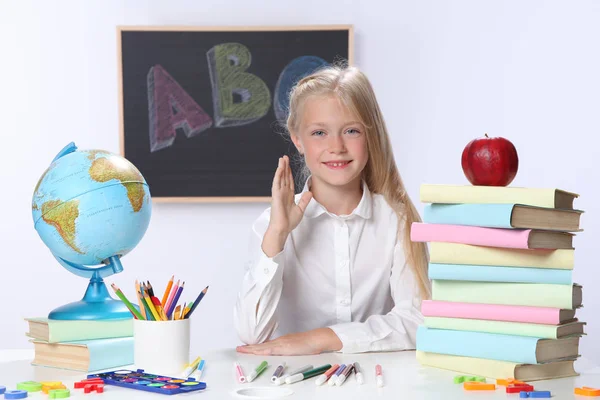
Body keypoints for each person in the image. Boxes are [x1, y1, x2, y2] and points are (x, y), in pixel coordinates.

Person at [233, 63, 430, 356]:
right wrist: (277, 234)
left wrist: (320, 339)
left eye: (351, 131)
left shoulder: (397, 221)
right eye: (319, 133)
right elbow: (252, 333)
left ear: (370, 135)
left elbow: (418, 321)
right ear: (297, 139)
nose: (336, 146)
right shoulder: (271, 225)